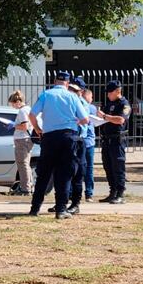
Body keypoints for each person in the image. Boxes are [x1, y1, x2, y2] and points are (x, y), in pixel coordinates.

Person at [28, 71, 89, 219]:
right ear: (67, 84)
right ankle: (61, 210)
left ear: (55, 81)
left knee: (44, 174)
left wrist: (37, 129)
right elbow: (85, 119)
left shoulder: (46, 94)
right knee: (64, 174)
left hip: (49, 138)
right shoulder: (73, 96)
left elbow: (32, 114)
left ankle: (35, 208)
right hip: (68, 138)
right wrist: (75, 121)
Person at [97, 80, 131, 204]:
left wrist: (105, 116)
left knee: (118, 166)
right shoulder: (109, 104)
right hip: (107, 139)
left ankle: (120, 193)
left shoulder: (124, 104)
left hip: (117, 140)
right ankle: (113, 192)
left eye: (110, 92)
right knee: (108, 166)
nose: (108, 95)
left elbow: (121, 119)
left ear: (118, 91)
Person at [62, 77, 91, 215]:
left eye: (74, 90)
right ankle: (63, 202)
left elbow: (83, 119)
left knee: (77, 174)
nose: (71, 91)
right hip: (69, 140)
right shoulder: (69, 101)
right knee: (64, 172)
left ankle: (75, 203)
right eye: (70, 88)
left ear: (81, 91)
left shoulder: (82, 103)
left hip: (78, 140)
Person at [8, 90, 33, 195]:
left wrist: (13, 124)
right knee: (25, 164)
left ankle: (25, 188)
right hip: (26, 139)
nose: (13, 106)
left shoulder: (23, 111)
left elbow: (24, 126)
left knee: (22, 164)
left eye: (13, 104)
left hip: (22, 140)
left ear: (17, 101)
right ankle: (29, 186)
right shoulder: (28, 109)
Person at [82, 87, 97, 202]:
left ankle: (72, 193)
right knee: (89, 169)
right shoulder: (92, 108)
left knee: (77, 168)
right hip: (89, 142)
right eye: (91, 97)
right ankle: (89, 194)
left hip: (82, 141)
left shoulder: (76, 106)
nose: (92, 99)